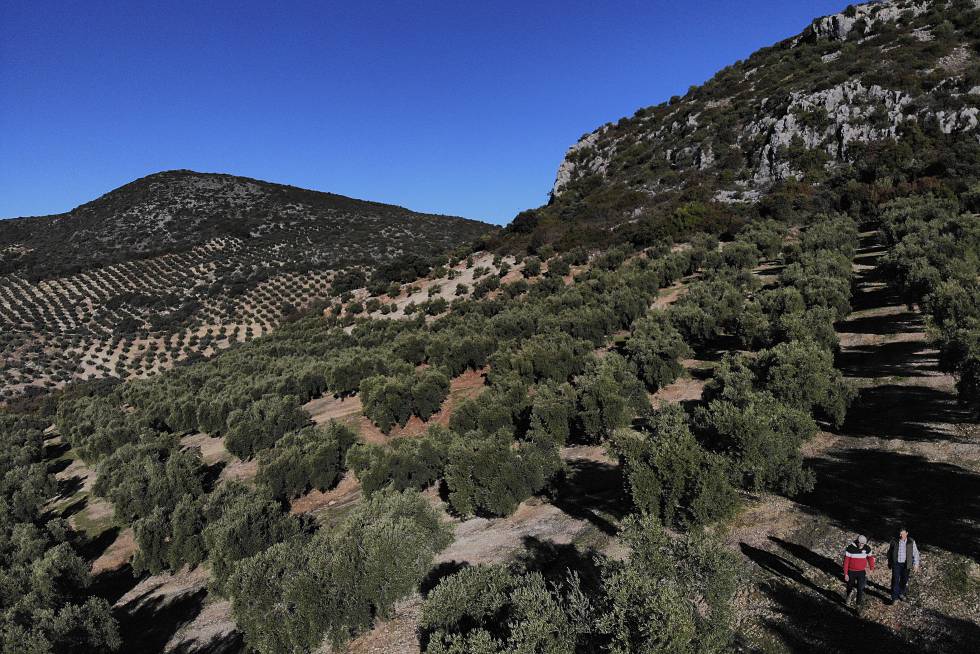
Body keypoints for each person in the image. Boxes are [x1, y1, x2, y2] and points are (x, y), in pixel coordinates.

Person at [887, 526, 920, 603]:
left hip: (906, 564)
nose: (901, 536)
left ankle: (901, 593)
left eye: (903, 534)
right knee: (895, 579)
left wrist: (916, 564)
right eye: (900, 534)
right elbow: (889, 553)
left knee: (904, 579)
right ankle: (894, 597)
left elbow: (915, 553)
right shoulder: (894, 541)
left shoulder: (911, 541)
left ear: (907, 533)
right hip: (896, 563)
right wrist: (889, 562)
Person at [842, 534, 875, 608]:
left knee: (860, 588)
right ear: (857, 541)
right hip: (851, 571)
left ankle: (858, 604)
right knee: (849, 586)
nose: (861, 545)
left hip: (861, 572)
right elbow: (846, 562)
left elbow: (870, 558)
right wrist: (846, 574)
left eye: (863, 543)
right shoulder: (850, 548)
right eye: (860, 543)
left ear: (865, 543)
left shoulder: (867, 548)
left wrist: (871, 568)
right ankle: (848, 597)